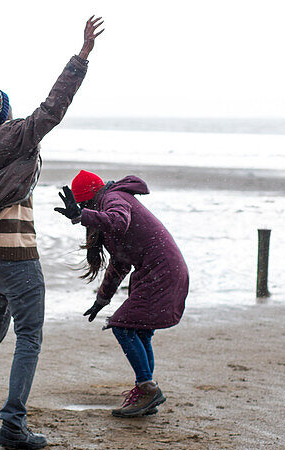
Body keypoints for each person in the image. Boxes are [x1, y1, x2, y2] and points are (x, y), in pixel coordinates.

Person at [0, 16, 105, 450]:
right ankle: (13, 424)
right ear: (4, 115)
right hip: (17, 254)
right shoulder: (20, 137)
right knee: (29, 335)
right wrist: (81, 56)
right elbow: (54, 106)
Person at [55, 169, 189, 417]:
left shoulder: (113, 198)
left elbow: (118, 221)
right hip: (164, 270)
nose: (85, 208)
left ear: (89, 199)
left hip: (161, 272)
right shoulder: (110, 201)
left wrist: (80, 215)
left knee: (123, 326)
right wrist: (101, 300)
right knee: (139, 330)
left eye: (84, 203)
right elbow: (120, 262)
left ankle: (147, 388)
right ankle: (147, 393)